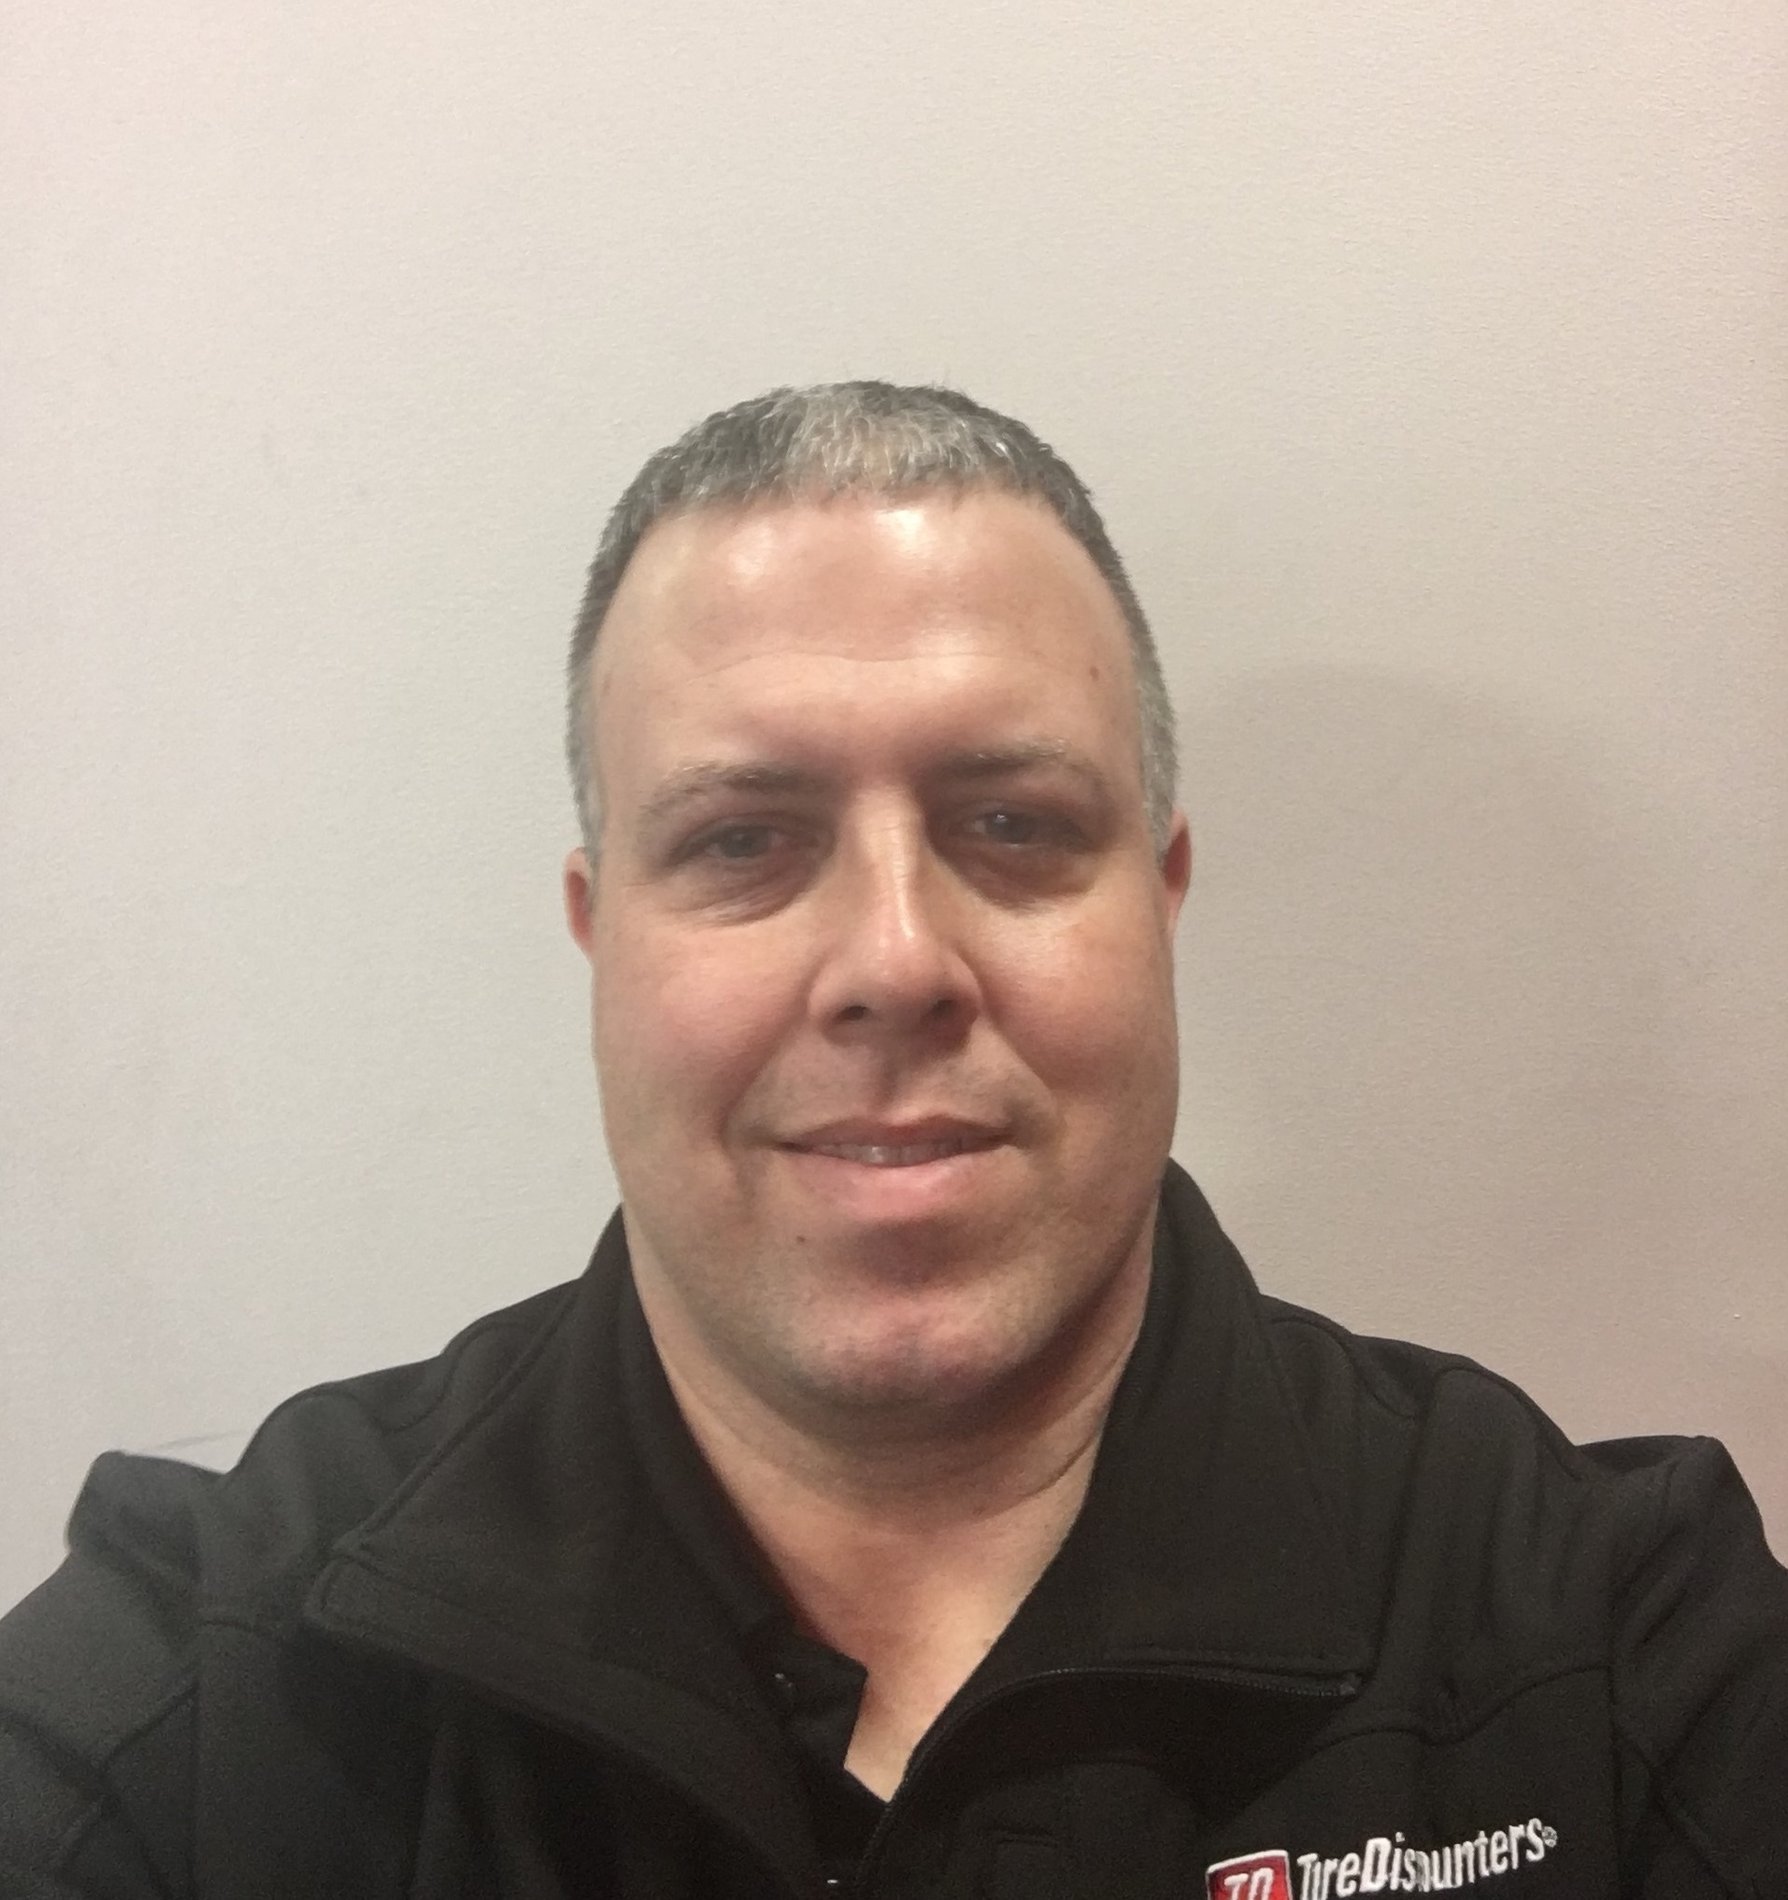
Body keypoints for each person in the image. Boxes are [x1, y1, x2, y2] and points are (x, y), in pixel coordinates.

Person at [2, 382, 1783, 1899]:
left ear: (1162, 897)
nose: (895, 962)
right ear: (599, 934)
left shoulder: (1612, 1641)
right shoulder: (214, 1675)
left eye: (1012, 824)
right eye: (743, 841)